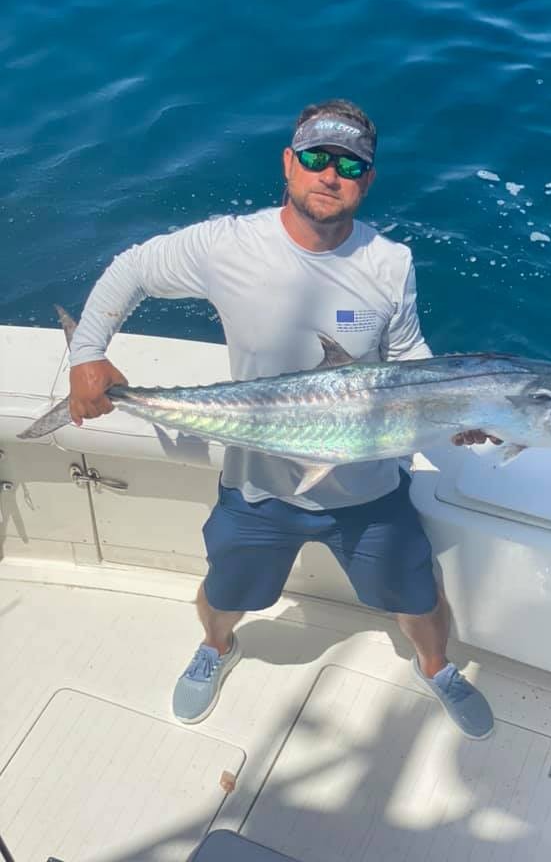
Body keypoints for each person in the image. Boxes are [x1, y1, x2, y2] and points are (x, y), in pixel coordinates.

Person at [68, 99, 497, 739]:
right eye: (318, 159)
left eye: (349, 164)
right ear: (289, 165)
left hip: (368, 490)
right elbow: (131, 269)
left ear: (367, 180)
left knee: (418, 595)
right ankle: (215, 649)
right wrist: (87, 354)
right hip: (258, 485)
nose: (331, 174)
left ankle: (435, 668)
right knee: (225, 595)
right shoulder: (226, 245)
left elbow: (408, 357)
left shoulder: (391, 262)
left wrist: (452, 405)